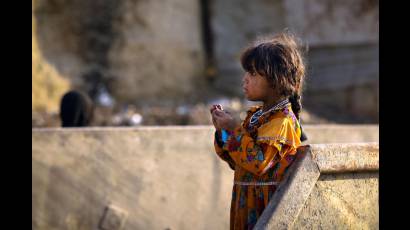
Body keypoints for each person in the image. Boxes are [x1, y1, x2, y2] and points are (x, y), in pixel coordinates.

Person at [210, 32, 307, 230]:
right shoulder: (255, 117)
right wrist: (223, 131)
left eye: (253, 74)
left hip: (268, 211)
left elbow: (258, 162)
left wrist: (233, 128)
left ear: (276, 80)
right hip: (245, 206)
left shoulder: (282, 122)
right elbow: (235, 160)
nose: (244, 79)